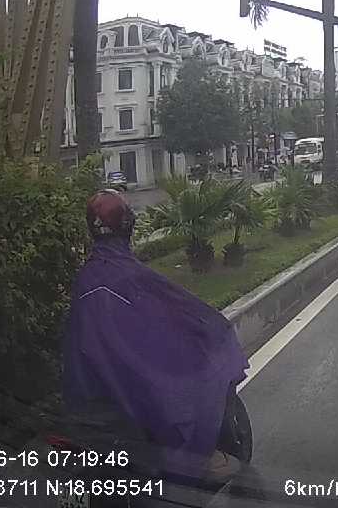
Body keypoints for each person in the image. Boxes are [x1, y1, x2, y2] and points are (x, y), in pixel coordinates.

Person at [63, 190, 249, 482]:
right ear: (128, 226)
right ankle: (196, 455)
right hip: (132, 387)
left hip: (89, 389)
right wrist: (212, 325)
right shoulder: (130, 275)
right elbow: (181, 310)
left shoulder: (86, 278)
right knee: (185, 391)